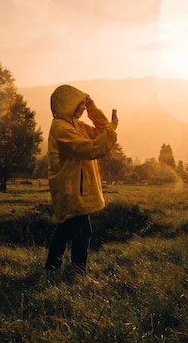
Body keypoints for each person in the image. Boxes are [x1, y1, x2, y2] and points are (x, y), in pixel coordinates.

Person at [45, 84, 118, 279]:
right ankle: (77, 273)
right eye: (80, 104)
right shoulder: (61, 129)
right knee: (80, 231)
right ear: (66, 105)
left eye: (84, 104)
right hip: (72, 191)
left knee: (66, 230)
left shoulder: (74, 125)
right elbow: (93, 148)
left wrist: (93, 108)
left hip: (77, 191)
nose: (83, 107)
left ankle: (53, 270)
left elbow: (100, 133)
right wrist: (112, 130)